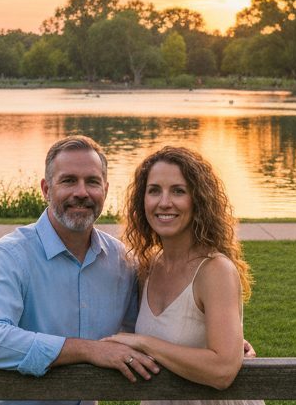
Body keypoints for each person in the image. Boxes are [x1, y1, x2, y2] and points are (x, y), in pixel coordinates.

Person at [0, 136, 160, 405]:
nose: (81, 192)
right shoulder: (10, 255)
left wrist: (217, 343)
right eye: (69, 180)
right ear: (46, 189)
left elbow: (145, 333)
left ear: (105, 190)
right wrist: (88, 350)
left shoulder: (123, 261)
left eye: (92, 182)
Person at [103, 146, 261, 402]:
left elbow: (222, 371)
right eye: (154, 190)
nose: (164, 202)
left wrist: (144, 343)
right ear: (142, 200)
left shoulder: (214, 270)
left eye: (178, 191)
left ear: (197, 200)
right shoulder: (148, 268)